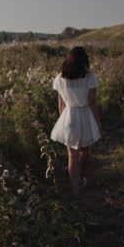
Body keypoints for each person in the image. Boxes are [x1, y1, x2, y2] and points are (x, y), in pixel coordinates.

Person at [50, 47, 102, 195]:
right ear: (84, 60)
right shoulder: (90, 77)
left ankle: (75, 190)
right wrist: (98, 124)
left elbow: (60, 103)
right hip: (85, 115)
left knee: (72, 154)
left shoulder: (60, 78)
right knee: (85, 151)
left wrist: (63, 121)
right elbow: (92, 102)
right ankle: (82, 177)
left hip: (69, 116)